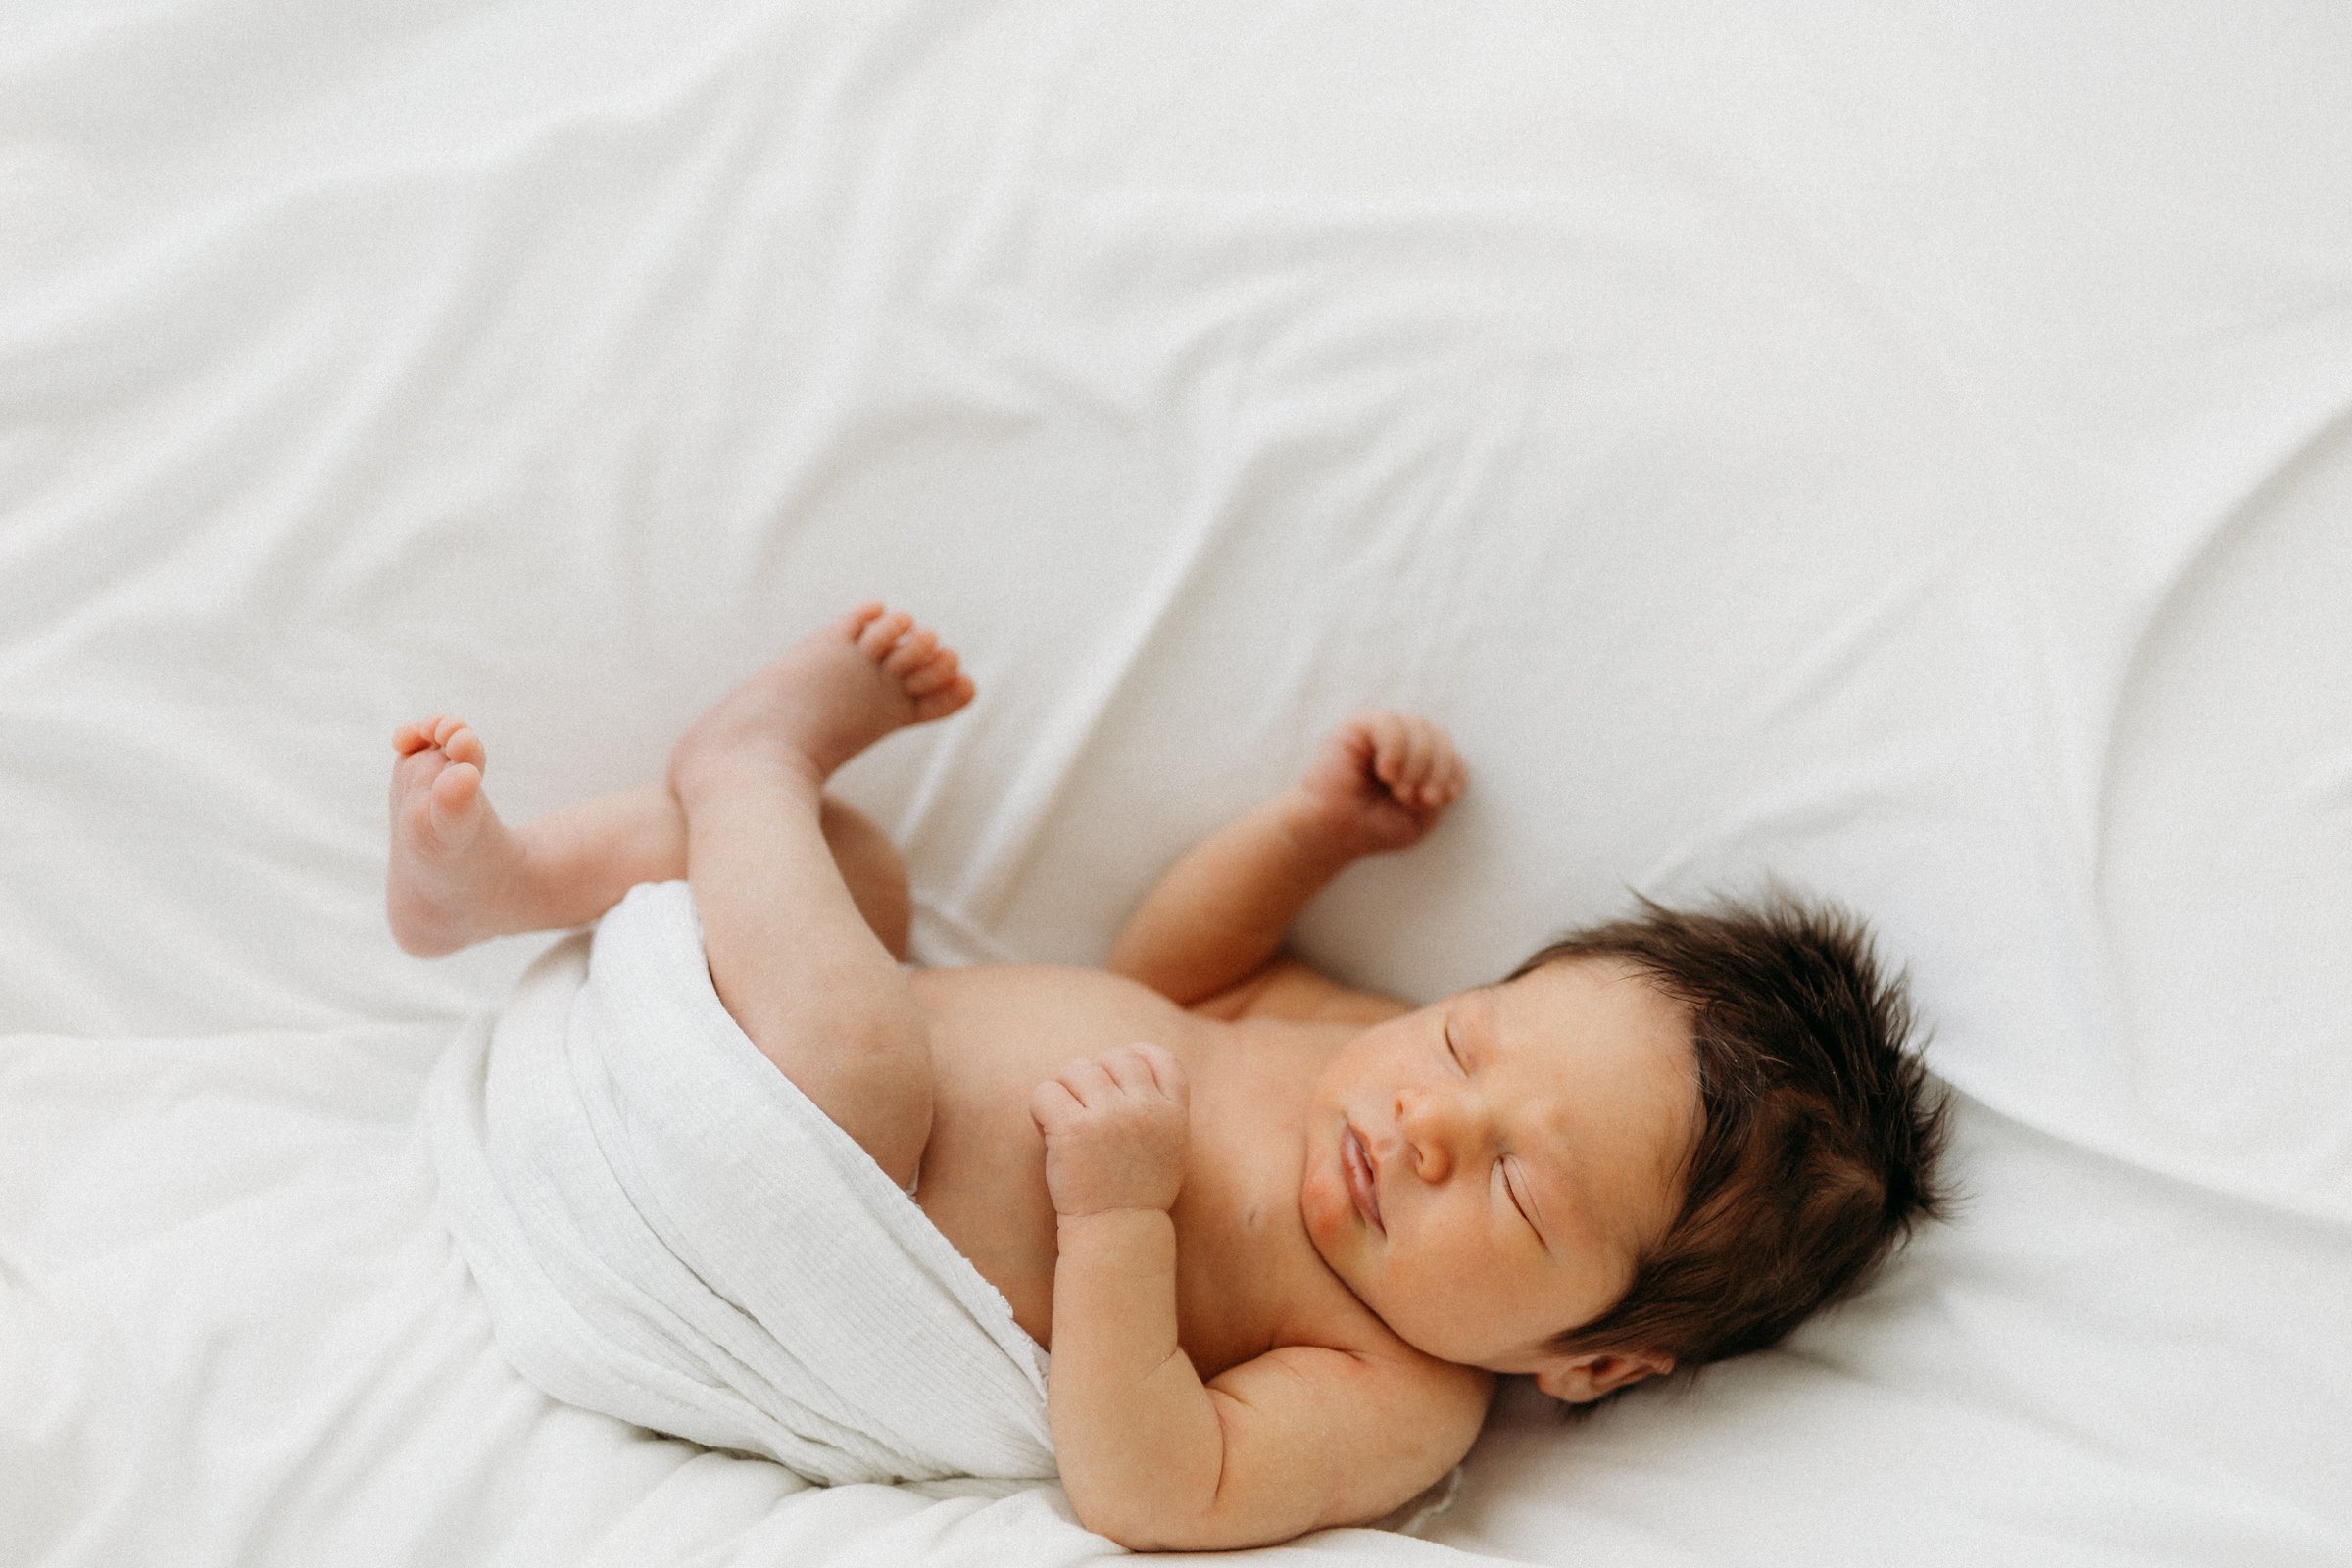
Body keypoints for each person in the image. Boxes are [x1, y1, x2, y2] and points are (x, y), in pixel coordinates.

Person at [388, 603, 1946, 1552]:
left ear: (1592, 1362)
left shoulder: (1399, 1398)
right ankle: (507, 882)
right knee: (851, 880)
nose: (1426, 1126)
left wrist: (1120, 1218)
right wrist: (1313, 838)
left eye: (1517, 1191)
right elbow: (1181, 975)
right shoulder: (1355, 1042)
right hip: (680, 1042)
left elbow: (1158, 1487)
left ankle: (745, 762)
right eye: (1473, 1037)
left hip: (758, 1203)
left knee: (858, 1049)